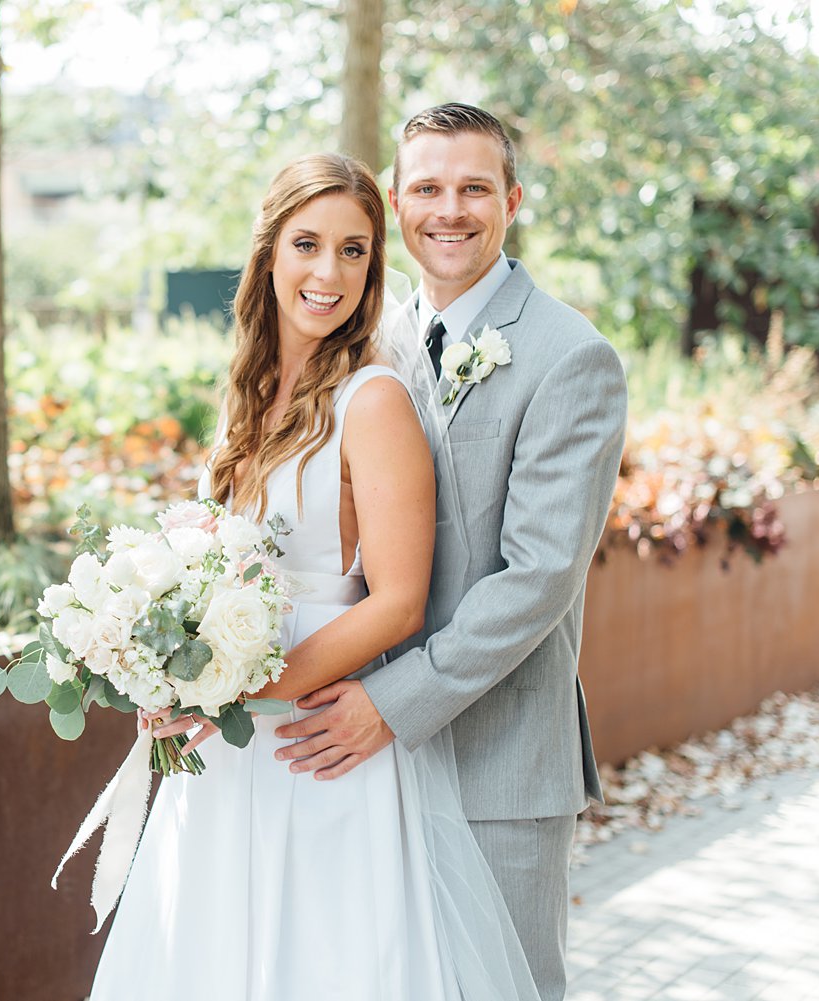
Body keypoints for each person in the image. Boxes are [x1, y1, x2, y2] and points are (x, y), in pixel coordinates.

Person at [89, 152, 542, 999]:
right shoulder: (245, 397)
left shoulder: (373, 401)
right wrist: (161, 663)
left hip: (314, 743)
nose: (328, 272)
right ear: (268, 254)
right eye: (307, 244)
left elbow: (401, 601)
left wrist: (237, 696)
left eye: (355, 250)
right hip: (220, 756)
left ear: (374, 268)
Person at [273, 104, 629, 1001]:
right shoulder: (362, 338)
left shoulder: (570, 355)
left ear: (510, 199)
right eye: (428, 187)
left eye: (475, 187)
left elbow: (539, 577)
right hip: (356, 762)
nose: (451, 209)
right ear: (397, 202)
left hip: (493, 759)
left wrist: (390, 703)